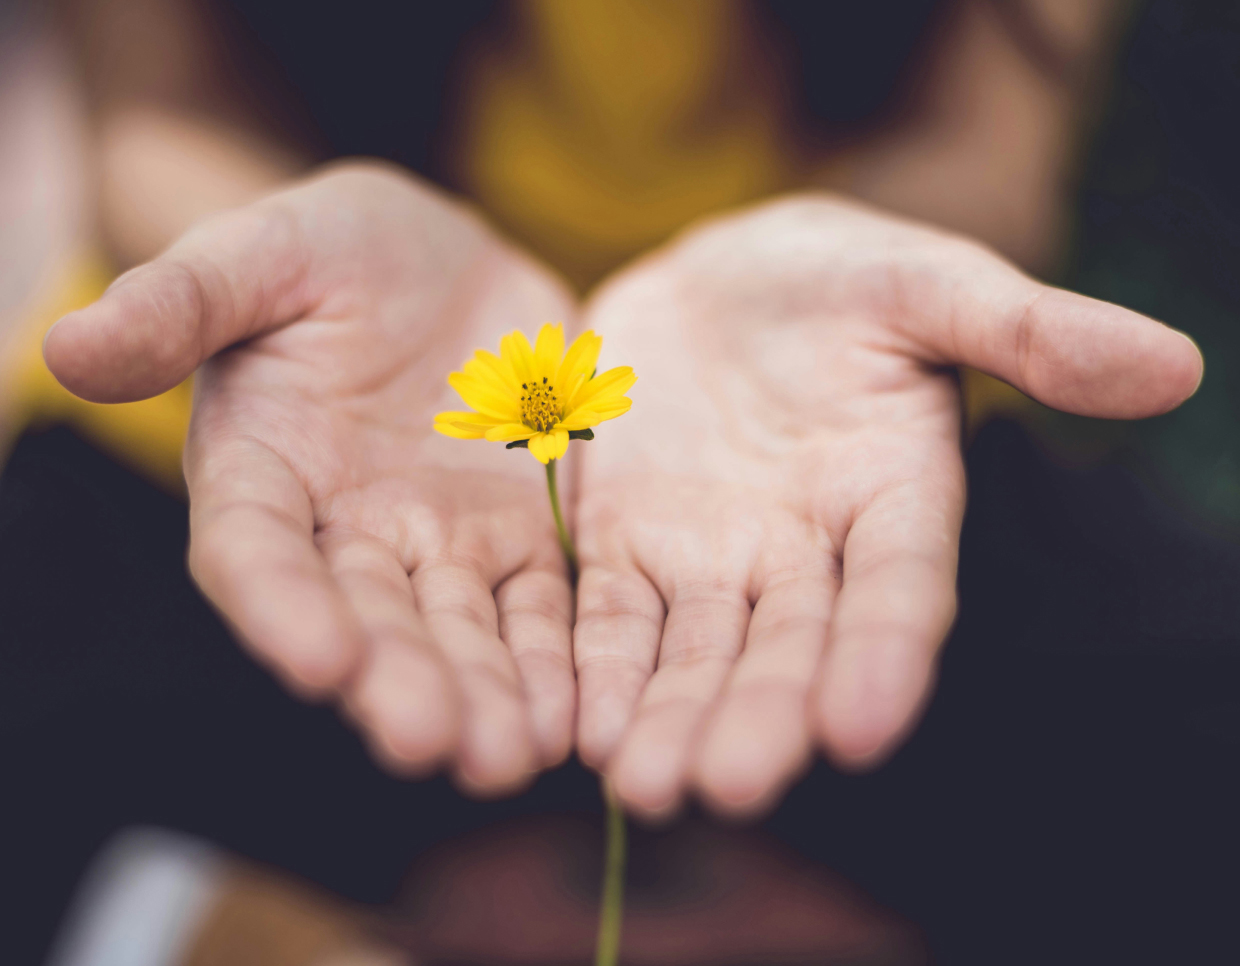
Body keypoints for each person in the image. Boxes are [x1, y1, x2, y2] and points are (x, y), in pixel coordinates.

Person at [30, 0, 1201, 819]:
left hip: (810, 417)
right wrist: (258, 256)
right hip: (314, 409)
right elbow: (158, 113)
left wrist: (856, 258)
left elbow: (981, 148)